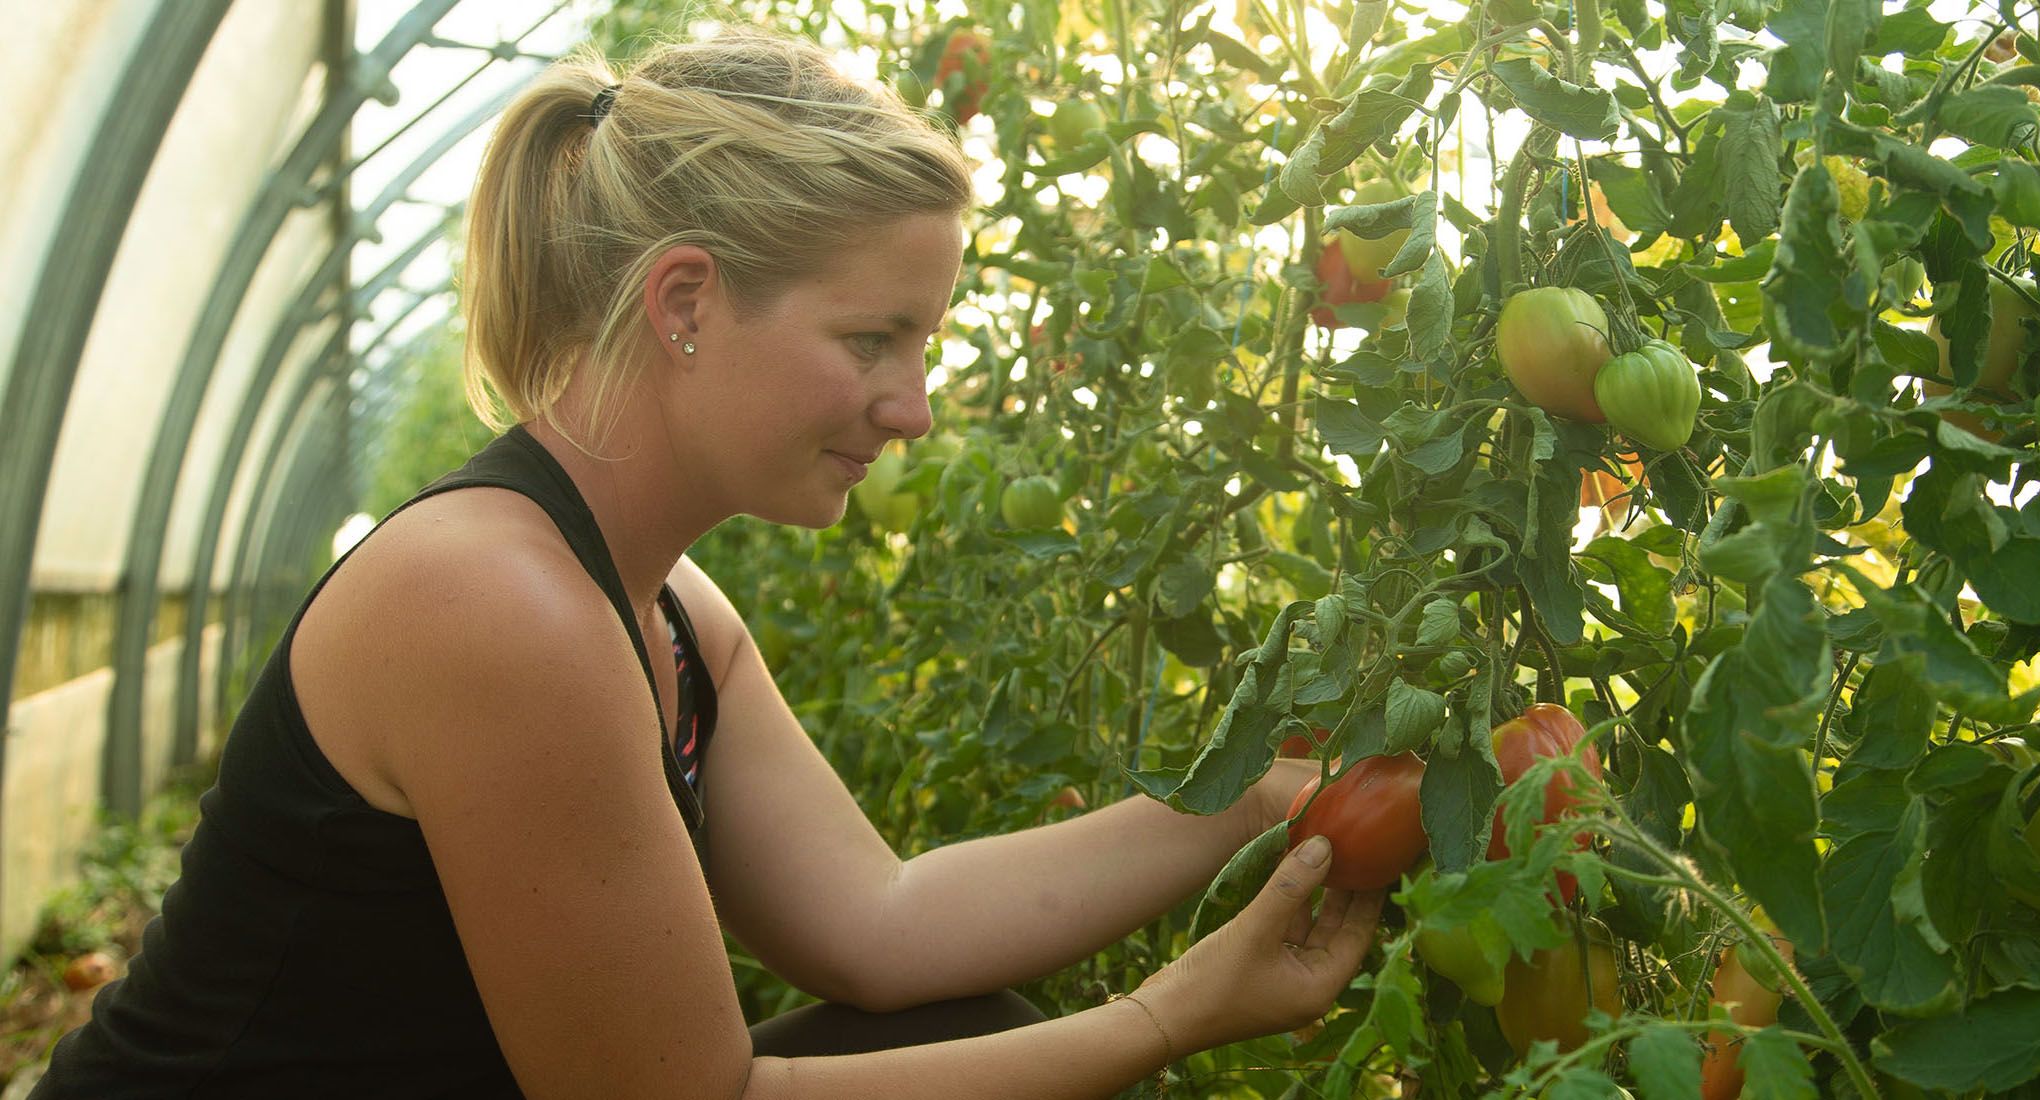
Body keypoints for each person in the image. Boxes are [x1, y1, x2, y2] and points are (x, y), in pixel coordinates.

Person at [31, 25, 1377, 1100]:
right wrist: (1171, 1016)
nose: (912, 408)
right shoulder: (498, 606)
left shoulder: (668, 612)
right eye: (872, 341)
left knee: (954, 1023)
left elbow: (882, 924)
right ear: (685, 301)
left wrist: (1255, 803)